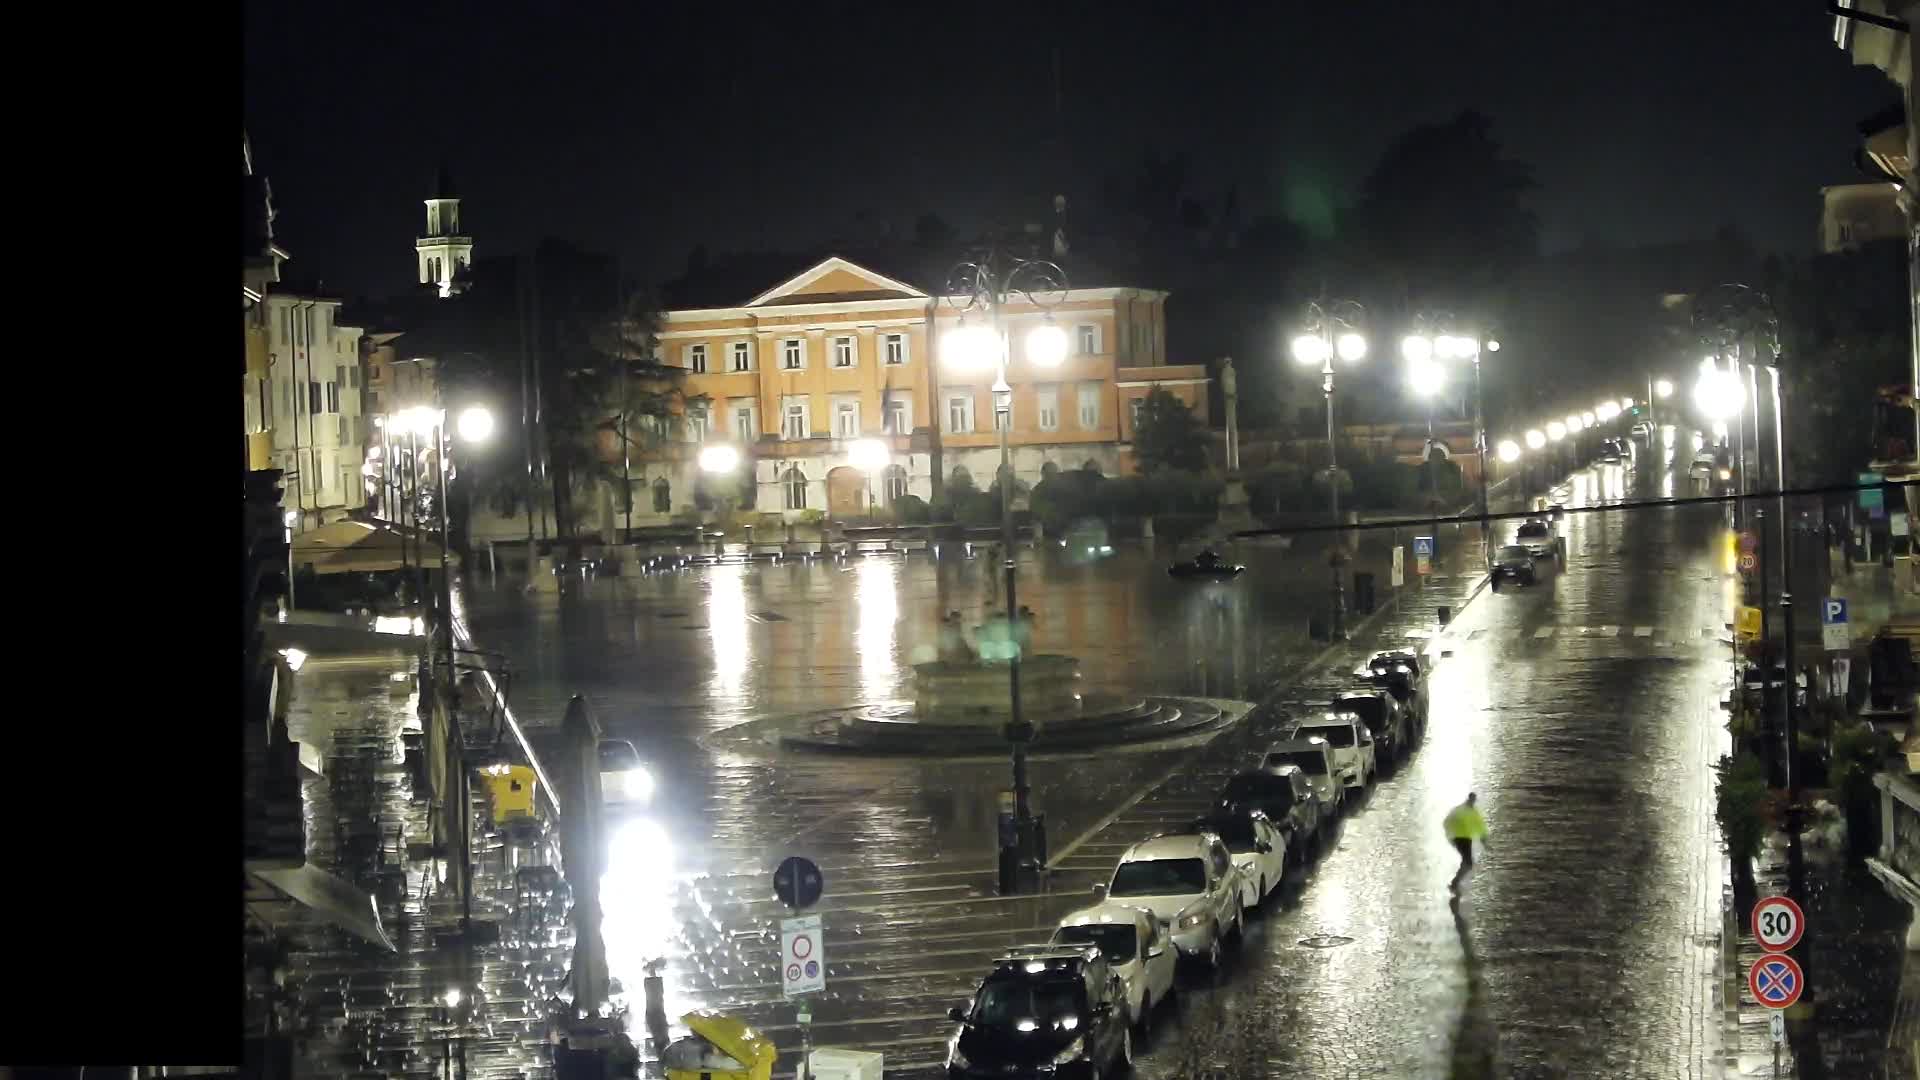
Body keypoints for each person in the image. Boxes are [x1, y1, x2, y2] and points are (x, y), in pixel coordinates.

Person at [1443, 792, 1489, 893]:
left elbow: (1480, 826)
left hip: (1466, 839)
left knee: (1467, 862)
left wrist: (1484, 840)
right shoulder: (1464, 811)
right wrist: (1449, 836)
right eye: (1473, 800)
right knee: (1468, 863)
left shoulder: (1469, 811)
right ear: (1470, 799)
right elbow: (1447, 822)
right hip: (1460, 839)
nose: (1473, 802)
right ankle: (1454, 884)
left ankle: (1455, 883)